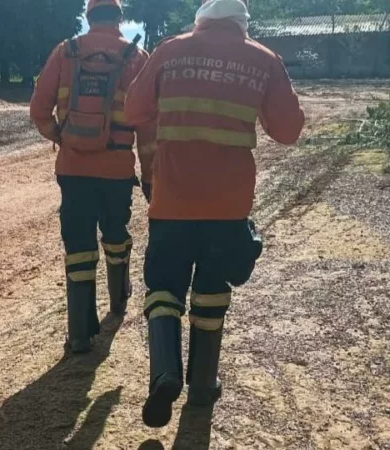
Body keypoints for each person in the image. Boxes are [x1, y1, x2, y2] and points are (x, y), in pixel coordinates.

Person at [124, 0, 305, 428]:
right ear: (242, 26)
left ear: (201, 21)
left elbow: (133, 111)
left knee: (164, 287)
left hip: (171, 200)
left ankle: (165, 372)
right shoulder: (263, 59)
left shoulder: (170, 50)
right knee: (212, 287)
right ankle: (203, 386)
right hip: (228, 204)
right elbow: (289, 130)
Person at [30, 0, 156, 354]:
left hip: (73, 168)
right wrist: (149, 177)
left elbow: (38, 110)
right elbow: (147, 129)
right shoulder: (137, 57)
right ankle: (118, 302)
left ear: (88, 16)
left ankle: (80, 334)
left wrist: (62, 138)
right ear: (119, 18)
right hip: (117, 170)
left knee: (78, 246)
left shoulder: (65, 52)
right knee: (116, 235)